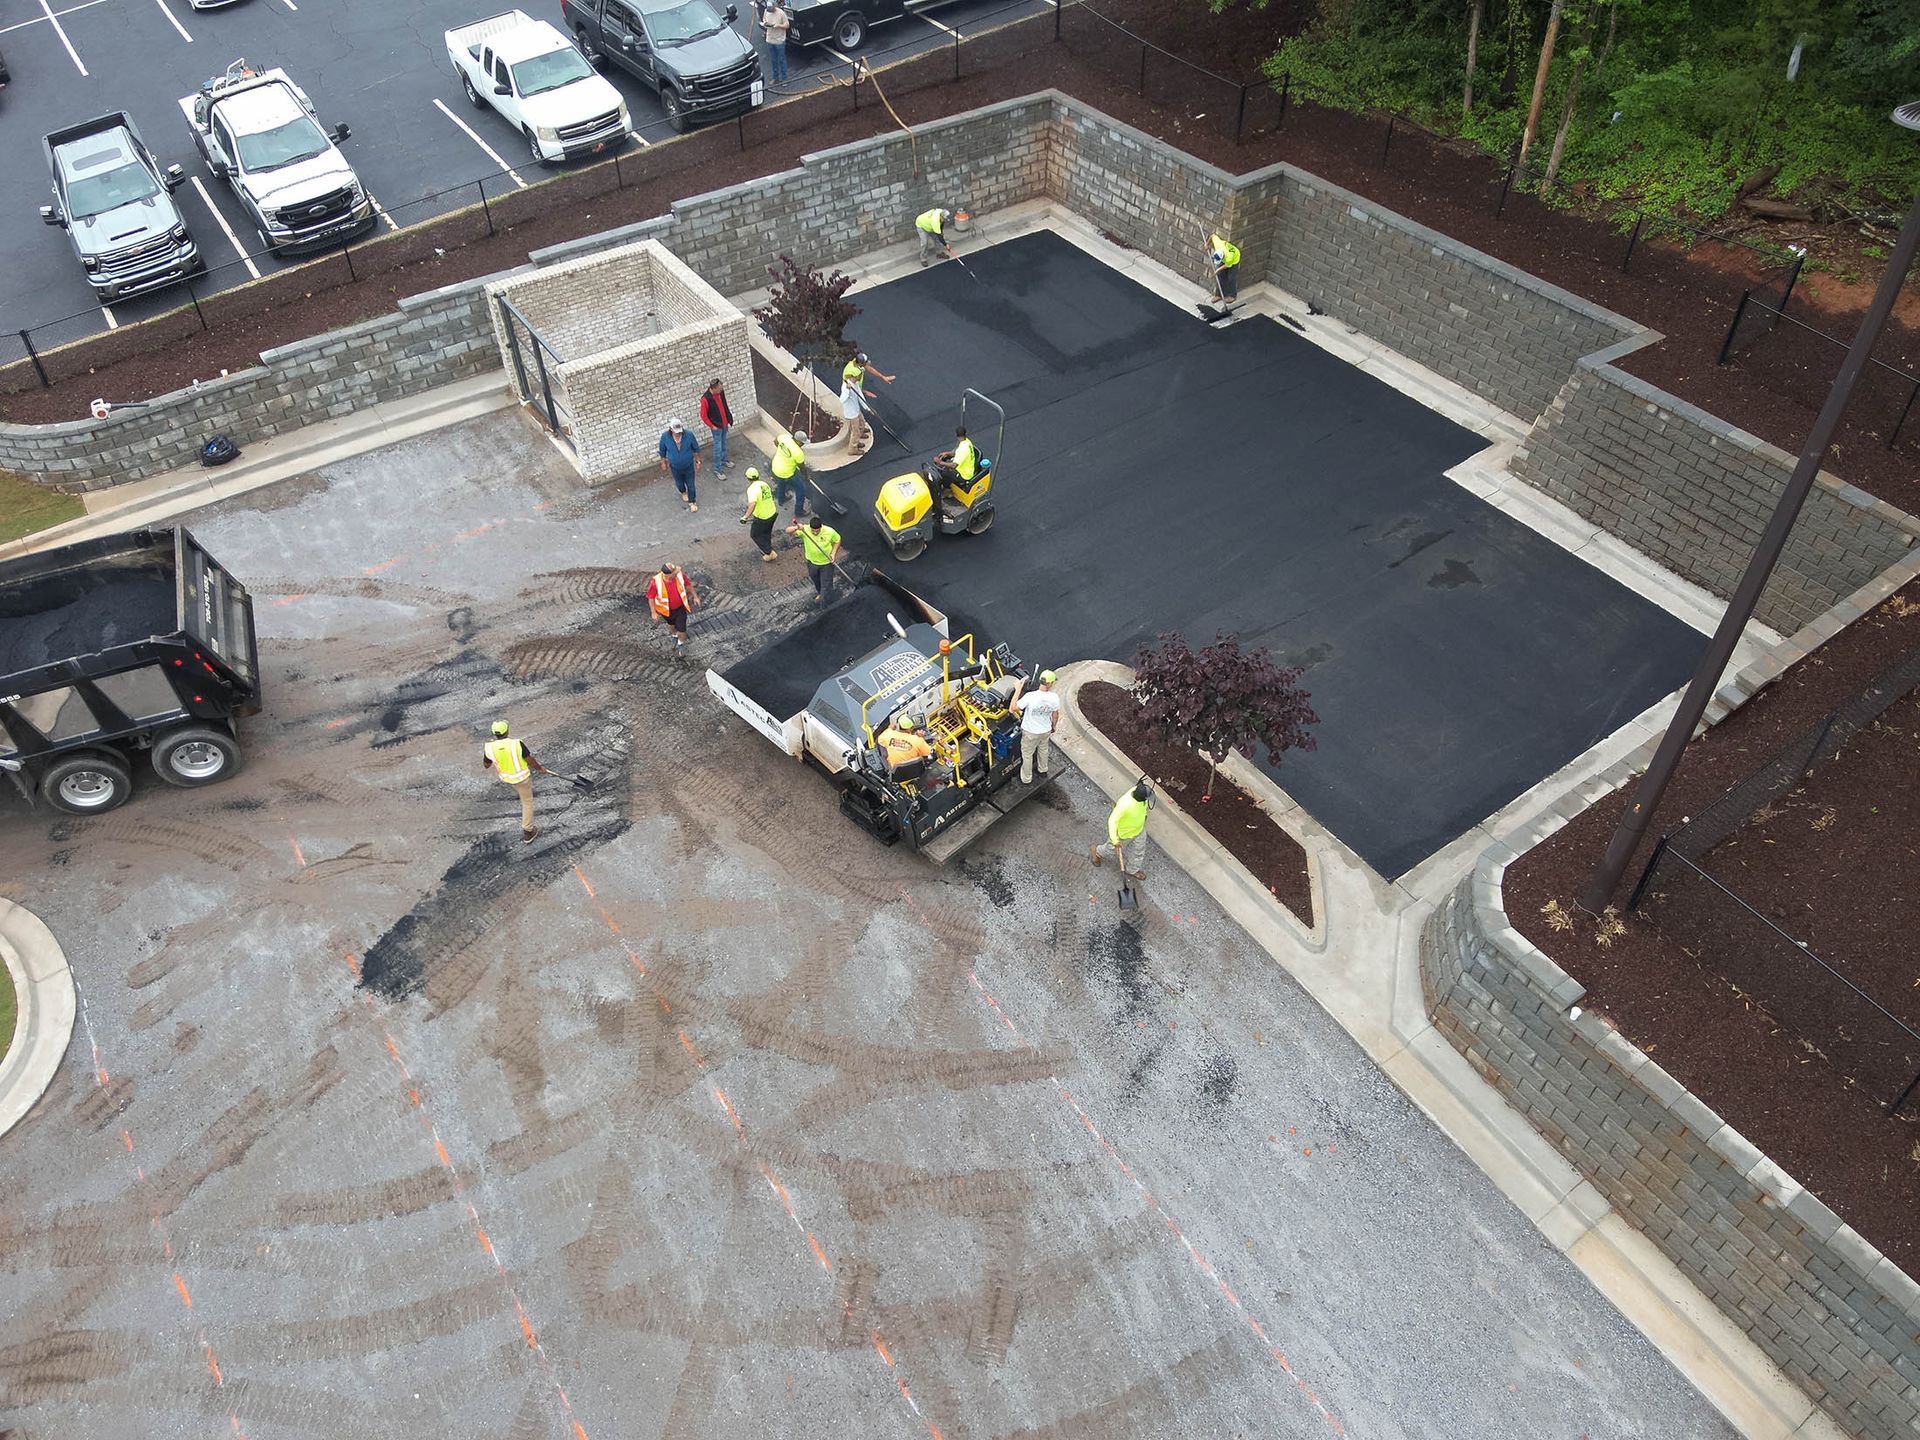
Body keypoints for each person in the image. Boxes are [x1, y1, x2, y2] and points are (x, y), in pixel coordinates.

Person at [482, 719, 553, 845]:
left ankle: (527, 828)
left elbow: (486, 765)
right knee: (527, 802)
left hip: (508, 779)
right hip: (522, 779)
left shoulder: (489, 748)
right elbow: (530, 760)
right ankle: (528, 831)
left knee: (520, 791)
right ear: (507, 731)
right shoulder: (516, 744)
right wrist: (540, 768)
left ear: (495, 734)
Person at [1091, 779, 1153, 879]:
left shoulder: (1137, 792)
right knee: (1110, 849)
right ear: (1140, 798)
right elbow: (1112, 821)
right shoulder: (1125, 805)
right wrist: (1115, 841)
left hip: (1139, 830)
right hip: (1124, 834)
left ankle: (1132, 869)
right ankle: (1097, 851)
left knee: (1138, 851)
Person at [1009, 669, 1060, 783]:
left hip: (1030, 732)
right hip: (1045, 730)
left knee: (1027, 755)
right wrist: (1053, 726)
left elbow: (1012, 708)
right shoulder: (1054, 697)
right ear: (1050, 683)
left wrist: (1018, 690)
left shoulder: (1030, 696)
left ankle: (1027, 779)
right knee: (1043, 749)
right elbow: (1055, 714)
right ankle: (1043, 770)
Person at [839, 351, 896, 453]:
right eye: (857, 377)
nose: (858, 378)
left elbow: (860, 395)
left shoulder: (855, 382)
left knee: (862, 423)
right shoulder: (846, 386)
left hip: (856, 409)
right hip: (851, 413)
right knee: (855, 431)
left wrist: (868, 408)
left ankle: (858, 438)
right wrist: (847, 390)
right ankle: (852, 449)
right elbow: (842, 400)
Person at [645, 561, 700, 655]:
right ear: (667, 575)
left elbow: (688, 585)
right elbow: (651, 597)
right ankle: (674, 635)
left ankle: (681, 643)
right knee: (671, 625)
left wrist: (695, 596)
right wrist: (653, 612)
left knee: (682, 630)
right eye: (674, 573)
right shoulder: (655, 583)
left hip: (680, 608)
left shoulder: (680, 576)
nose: (676, 574)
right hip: (666, 610)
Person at [786, 514, 842, 603]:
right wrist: (796, 527)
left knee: (826, 585)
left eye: (817, 531)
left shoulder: (829, 531)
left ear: (821, 527)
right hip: (812, 563)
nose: (815, 533)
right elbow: (788, 531)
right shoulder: (805, 530)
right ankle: (821, 593)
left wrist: (833, 553)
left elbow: (837, 540)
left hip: (826, 563)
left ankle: (825, 604)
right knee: (816, 581)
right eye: (813, 531)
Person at [658, 418, 701, 512]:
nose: (678, 434)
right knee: (679, 483)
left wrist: (698, 462)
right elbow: (662, 450)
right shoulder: (665, 437)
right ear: (671, 429)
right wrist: (663, 462)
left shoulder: (689, 435)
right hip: (675, 467)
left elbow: (696, 449)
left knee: (691, 485)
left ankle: (692, 502)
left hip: (688, 465)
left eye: (679, 431)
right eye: (676, 432)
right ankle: (683, 492)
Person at [738, 466, 779, 562]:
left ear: (747, 478)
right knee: (766, 533)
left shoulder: (751, 489)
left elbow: (752, 504)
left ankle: (769, 552)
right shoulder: (764, 484)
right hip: (772, 512)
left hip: (763, 517)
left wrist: (745, 517)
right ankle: (768, 548)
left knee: (755, 534)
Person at [770, 427, 810, 520]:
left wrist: (782, 451)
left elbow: (775, 441)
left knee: (781, 483)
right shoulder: (798, 452)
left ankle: (781, 499)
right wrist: (806, 476)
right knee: (801, 489)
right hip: (787, 472)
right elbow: (802, 467)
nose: (803, 444)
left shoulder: (784, 437)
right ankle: (799, 512)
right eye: (803, 443)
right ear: (799, 441)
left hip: (776, 467)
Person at [698, 379, 735, 476]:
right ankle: (717, 469)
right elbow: (703, 415)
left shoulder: (720, 392)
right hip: (717, 427)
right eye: (719, 389)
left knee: (723, 445)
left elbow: (724, 405)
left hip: (724, 424)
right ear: (713, 389)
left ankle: (724, 460)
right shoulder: (705, 399)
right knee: (718, 449)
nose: (721, 390)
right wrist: (712, 426)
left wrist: (728, 418)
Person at [756, 0, 790, 84]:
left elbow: (787, 25)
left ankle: (784, 78)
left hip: (779, 40)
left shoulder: (781, 13)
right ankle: (776, 78)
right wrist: (765, 24)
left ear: (775, 6)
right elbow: (764, 19)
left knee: (781, 60)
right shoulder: (766, 11)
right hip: (770, 39)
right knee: (773, 60)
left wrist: (778, 25)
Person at [1208, 232, 1241, 302]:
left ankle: (1232, 296)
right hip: (1226, 258)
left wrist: (1218, 270)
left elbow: (1227, 265)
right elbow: (1213, 235)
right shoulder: (1218, 245)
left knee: (1231, 278)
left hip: (1235, 259)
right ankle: (1218, 295)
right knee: (1220, 275)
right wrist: (1207, 244)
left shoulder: (1229, 257)